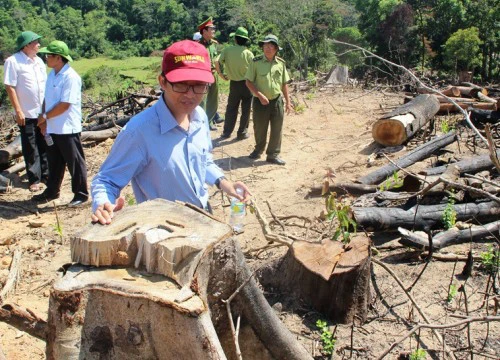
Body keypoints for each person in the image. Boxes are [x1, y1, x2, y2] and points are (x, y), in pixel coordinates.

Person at [91, 40, 251, 225]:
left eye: (199, 85)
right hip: (164, 232)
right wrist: (103, 203)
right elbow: (107, 180)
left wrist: (224, 183)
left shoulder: (199, 116)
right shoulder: (139, 132)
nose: (190, 94)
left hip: (203, 217)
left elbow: (202, 160)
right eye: (181, 84)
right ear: (163, 82)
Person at [33, 40, 89, 206]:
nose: (46, 58)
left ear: (59, 58)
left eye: (49, 55)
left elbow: (65, 105)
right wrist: (43, 120)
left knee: (75, 162)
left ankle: (81, 194)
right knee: (54, 161)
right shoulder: (52, 74)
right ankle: (52, 190)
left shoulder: (71, 77)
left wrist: (44, 117)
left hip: (67, 127)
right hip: (52, 126)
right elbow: (47, 98)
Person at [3, 31, 48, 192]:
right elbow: (10, 86)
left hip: (41, 111)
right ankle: (34, 179)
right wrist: (18, 110)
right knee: (30, 145)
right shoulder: (13, 61)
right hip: (26, 112)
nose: (39, 45)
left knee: (44, 142)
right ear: (27, 45)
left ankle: (46, 175)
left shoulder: (39, 62)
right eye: (36, 42)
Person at [245, 34, 291, 166]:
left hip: (276, 101)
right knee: (260, 128)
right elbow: (248, 82)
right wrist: (259, 95)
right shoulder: (255, 62)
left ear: (276, 48)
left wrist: (288, 101)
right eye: (265, 46)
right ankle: (258, 149)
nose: (267, 48)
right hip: (260, 102)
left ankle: (273, 154)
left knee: (277, 128)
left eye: (271, 46)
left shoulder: (281, 64)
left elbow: (284, 84)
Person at [215, 27, 254, 140]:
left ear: (235, 39)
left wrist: (221, 74)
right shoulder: (249, 54)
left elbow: (217, 61)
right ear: (245, 41)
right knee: (246, 109)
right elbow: (253, 70)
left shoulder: (227, 50)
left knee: (231, 108)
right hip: (247, 85)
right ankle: (242, 132)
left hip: (234, 84)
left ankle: (227, 132)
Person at [197, 17, 223, 130]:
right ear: (204, 31)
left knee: (213, 99)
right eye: (211, 29)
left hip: (214, 74)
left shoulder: (213, 44)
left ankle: (210, 121)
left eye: (214, 29)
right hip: (203, 75)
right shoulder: (198, 45)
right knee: (202, 100)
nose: (213, 31)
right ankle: (201, 121)